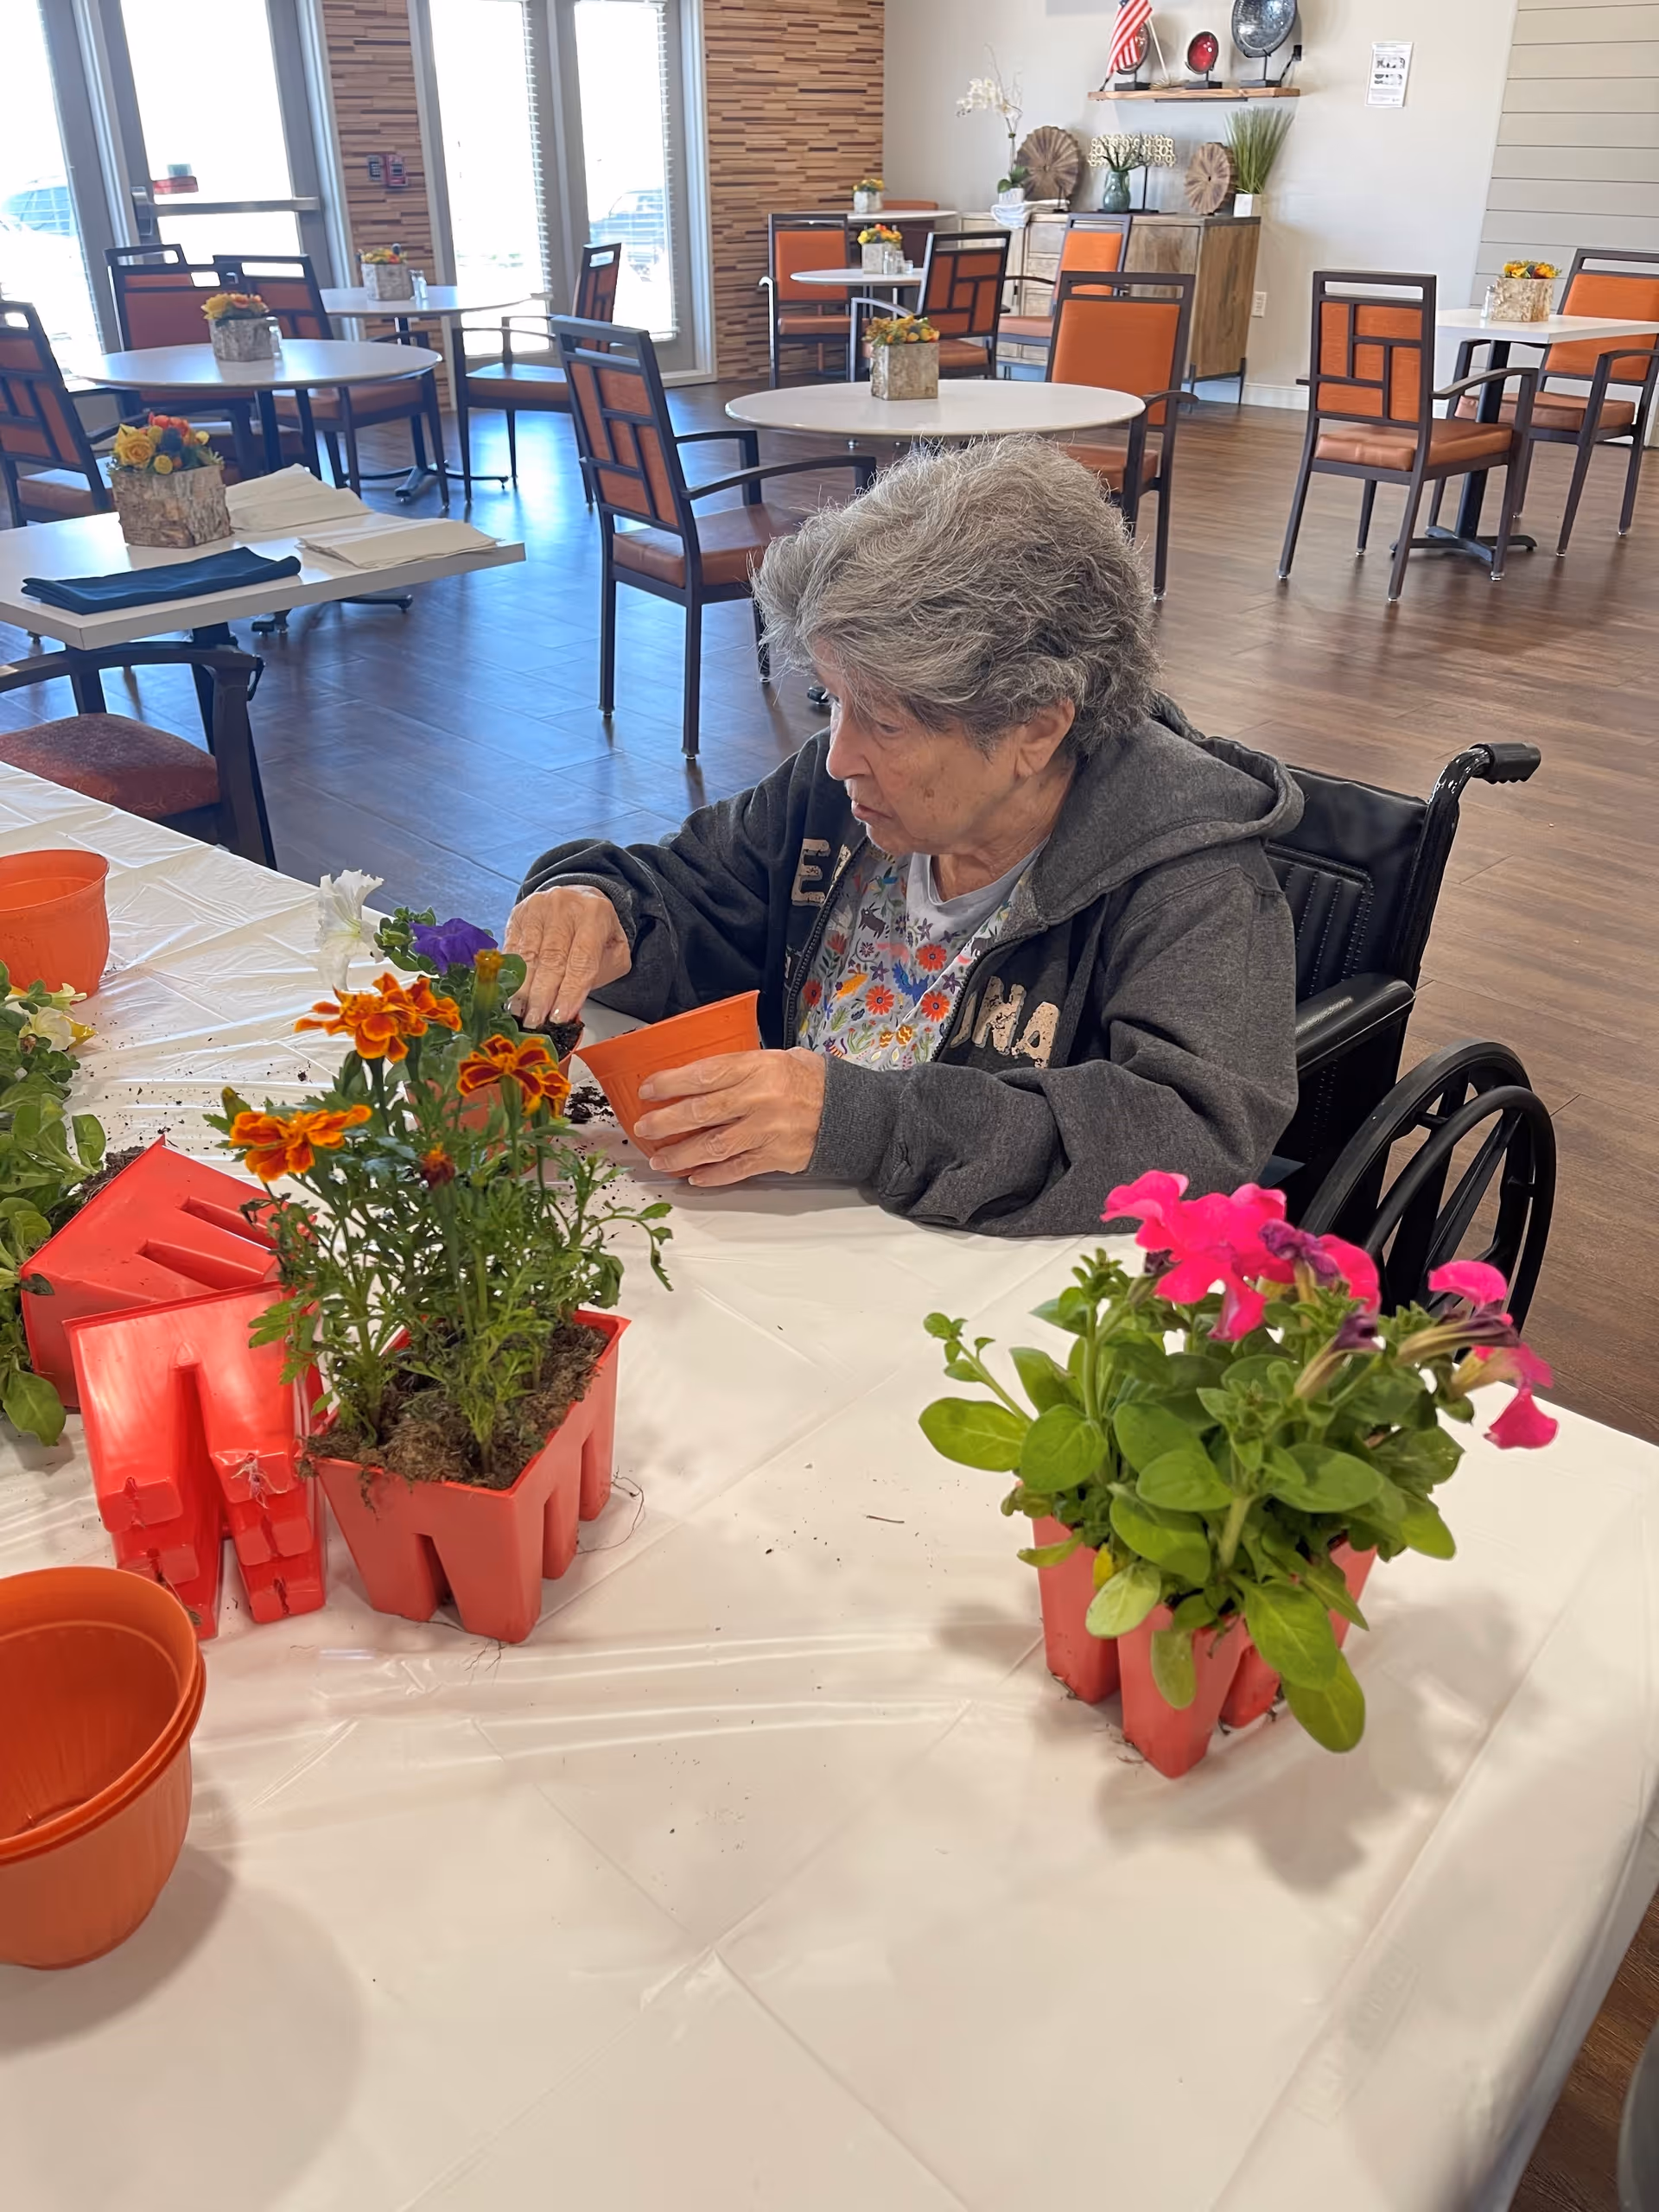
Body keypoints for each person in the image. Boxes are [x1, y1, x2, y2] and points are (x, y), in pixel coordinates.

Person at [507, 437, 1301, 1236]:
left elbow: (1191, 1135)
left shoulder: (1190, 877)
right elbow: (693, 891)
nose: (839, 754)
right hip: (805, 1254)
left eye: (883, 720)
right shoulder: (837, 791)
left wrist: (863, 1122)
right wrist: (604, 909)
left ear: (1035, 727)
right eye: (832, 700)